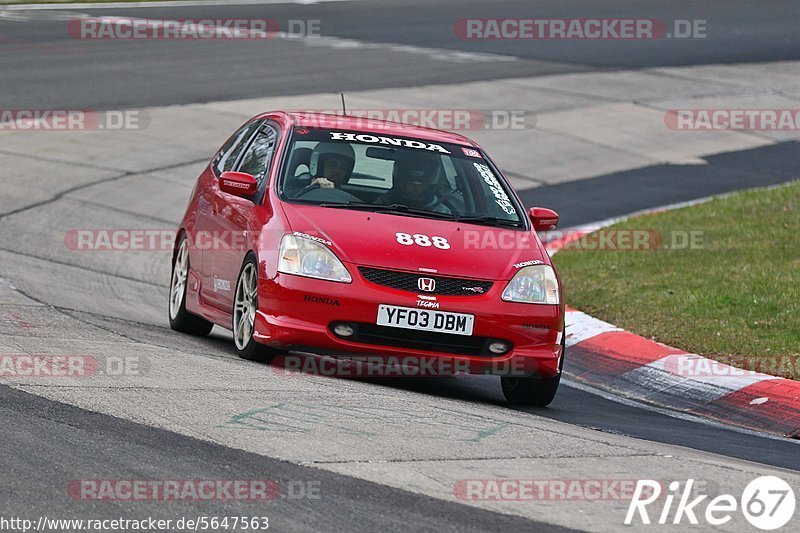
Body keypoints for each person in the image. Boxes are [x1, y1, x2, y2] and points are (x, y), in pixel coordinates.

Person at [376, 153, 451, 214]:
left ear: (430, 185)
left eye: (420, 185)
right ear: (400, 182)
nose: (415, 188)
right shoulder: (382, 204)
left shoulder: (442, 212)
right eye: (410, 184)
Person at [285, 142, 355, 197]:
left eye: (343, 168)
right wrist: (310, 189)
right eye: (332, 165)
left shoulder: (346, 196)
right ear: (318, 166)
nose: (338, 171)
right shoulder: (292, 185)